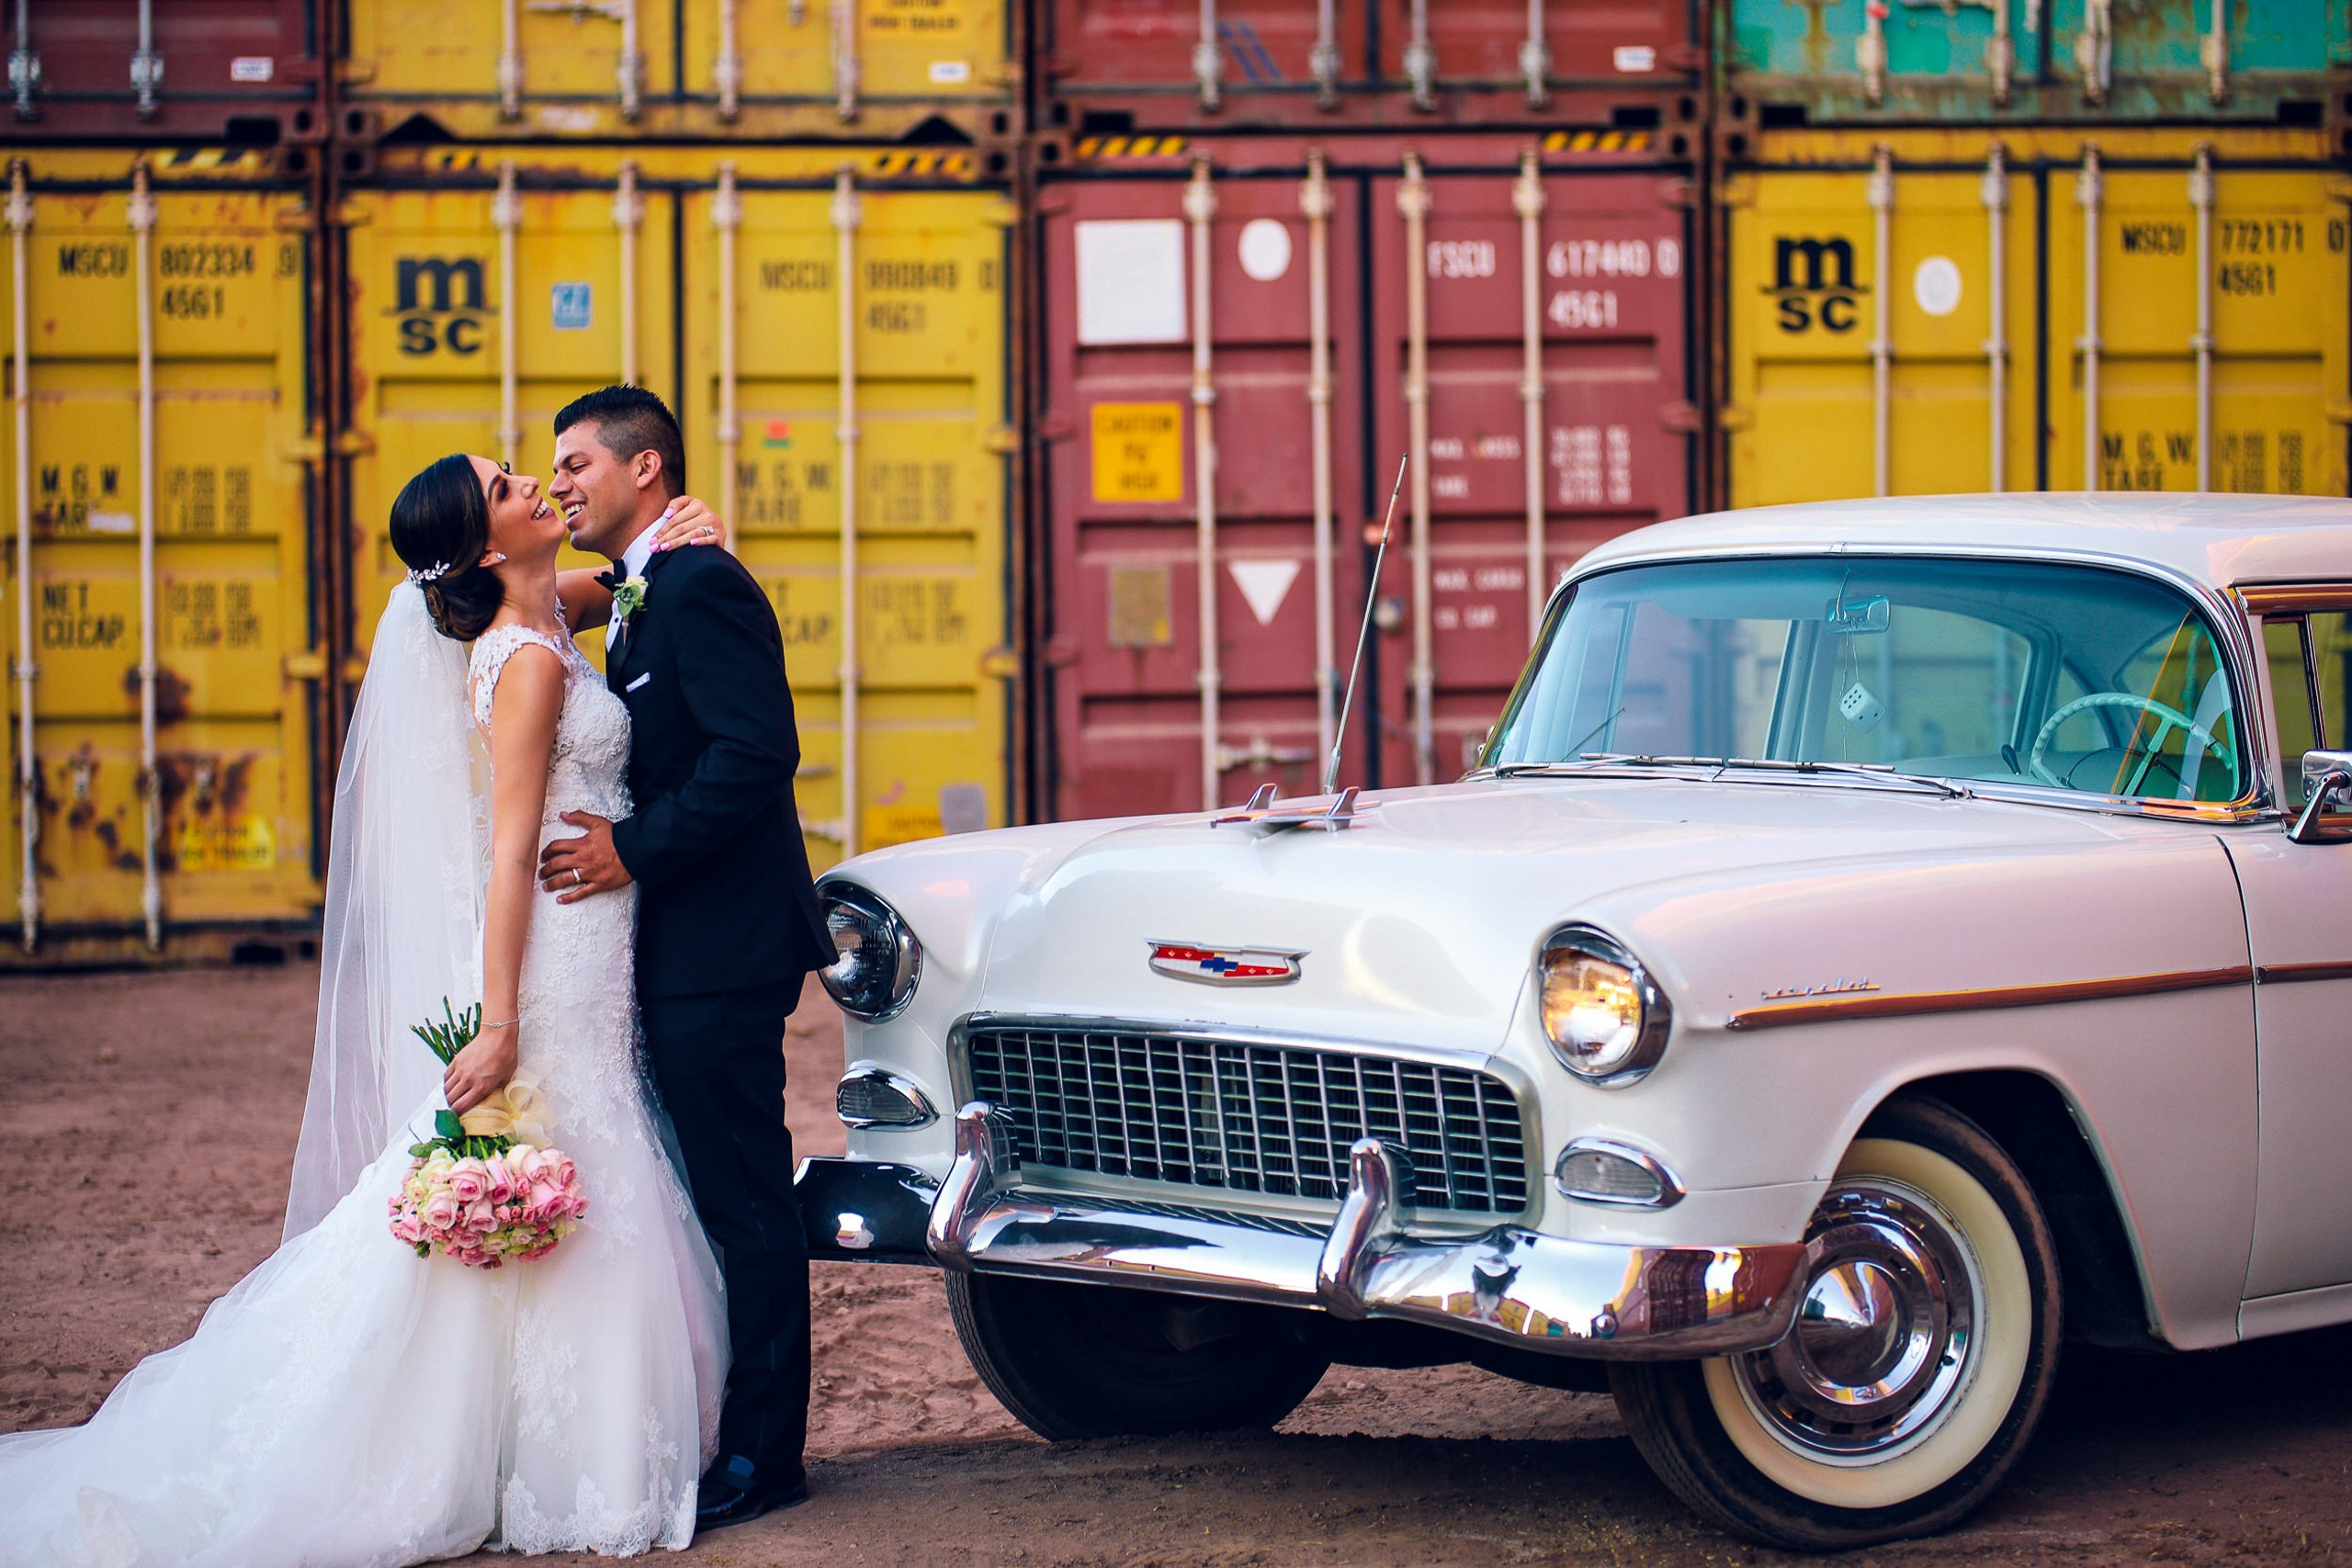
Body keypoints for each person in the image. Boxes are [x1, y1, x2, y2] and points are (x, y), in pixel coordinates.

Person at [0, 457, 734, 1562]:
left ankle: (526, 1435)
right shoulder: (529, 664)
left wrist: (689, 539)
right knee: (570, 1147)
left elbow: (628, 587)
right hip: (552, 949)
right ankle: (546, 1451)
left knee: (587, 1152)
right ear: (488, 549)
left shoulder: (554, 614)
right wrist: (498, 1021)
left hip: (594, 938)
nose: (533, 480)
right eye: (505, 488)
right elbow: (504, 855)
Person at [536, 386, 832, 1529]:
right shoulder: (651, 586)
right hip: (678, 948)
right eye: (549, 471)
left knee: (744, 1201)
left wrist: (631, 852)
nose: (558, 481)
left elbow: (759, 753)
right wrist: (621, 579)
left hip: (722, 949)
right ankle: (726, 1431)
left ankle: (767, 1456)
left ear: (645, 468)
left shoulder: (702, 584)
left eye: (575, 463)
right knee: (704, 1196)